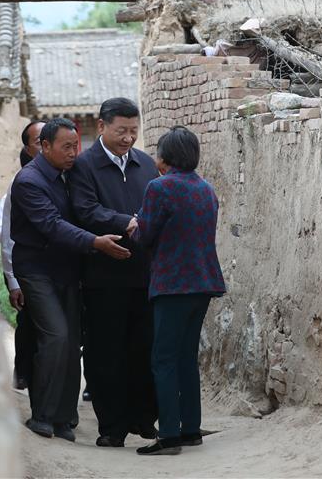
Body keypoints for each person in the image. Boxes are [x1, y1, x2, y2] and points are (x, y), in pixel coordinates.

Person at [9, 118, 131, 442]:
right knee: (56, 336)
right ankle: (43, 416)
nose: (73, 153)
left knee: (72, 340)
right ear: (44, 146)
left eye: (76, 146)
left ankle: (65, 419)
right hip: (36, 270)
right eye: (66, 147)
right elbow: (52, 225)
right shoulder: (29, 182)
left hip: (67, 270)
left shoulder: (68, 176)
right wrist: (95, 242)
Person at [68, 98, 160, 448]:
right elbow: (85, 209)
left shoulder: (145, 164)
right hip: (103, 278)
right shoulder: (84, 166)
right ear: (102, 126)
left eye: (133, 131)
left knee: (143, 348)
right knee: (105, 352)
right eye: (121, 130)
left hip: (144, 275)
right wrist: (127, 222)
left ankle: (143, 418)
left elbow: (155, 206)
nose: (128, 138)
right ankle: (112, 426)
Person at [129, 126, 226, 456]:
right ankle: (190, 428)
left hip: (172, 284)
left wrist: (134, 225)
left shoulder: (160, 187)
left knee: (164, 359)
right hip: (203, 282)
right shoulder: (206, 189)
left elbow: (145, 235)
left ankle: (169, 434)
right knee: (187, 357)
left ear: (165, 157)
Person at [0, 120, 44, 390]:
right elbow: (7, 236)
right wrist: (12, 280)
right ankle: (25, 372)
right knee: (30, 325)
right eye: (40, 140)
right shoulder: (21, 185)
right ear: (29, 149)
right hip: (28, 272)